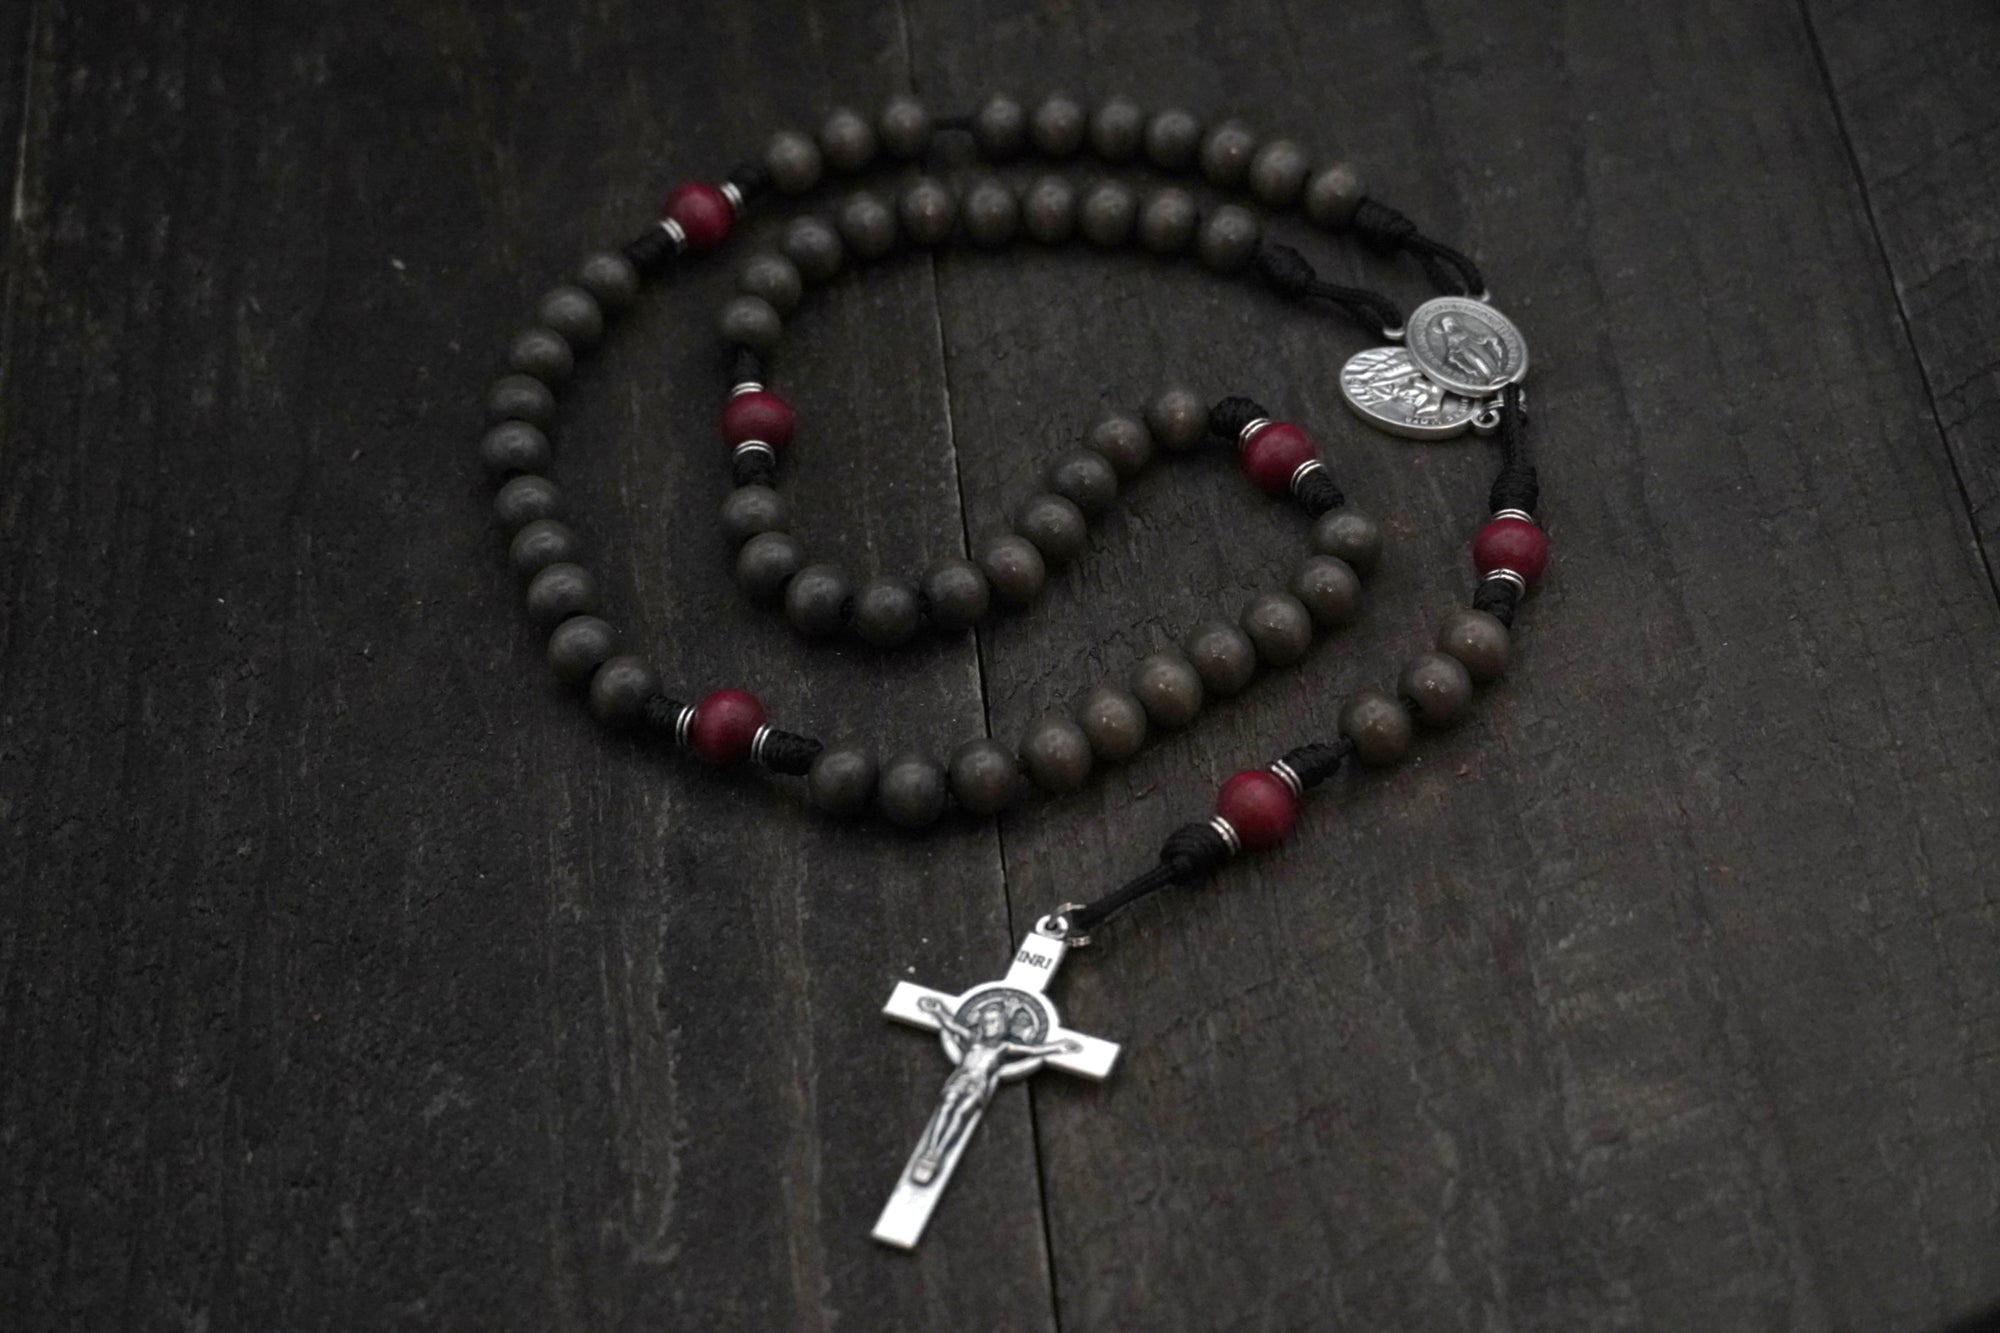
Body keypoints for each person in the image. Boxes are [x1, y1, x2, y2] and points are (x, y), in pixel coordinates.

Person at [910, 995, 1080, 1184]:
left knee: (961, 1114)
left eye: (996, 1022)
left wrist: (1057, 1047)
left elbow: (1032, 1051)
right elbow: (951, 1025)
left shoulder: (1004, 1047)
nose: (992, 1026)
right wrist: (937, 1010)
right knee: (946, 1107)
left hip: (978, 1084)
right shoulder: (973, 1039)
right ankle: (930, 1150)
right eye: (988, 1022)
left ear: (1003, 1026)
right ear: (982, 1024)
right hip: (960, 1079)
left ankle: (939, 1153)